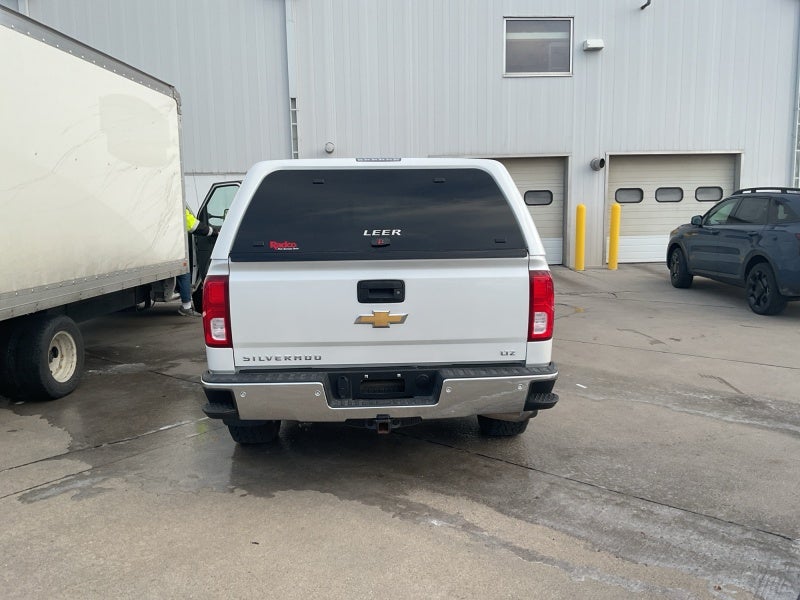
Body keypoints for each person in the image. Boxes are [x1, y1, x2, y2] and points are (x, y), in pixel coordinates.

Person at [176, 207, 216, 316]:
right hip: (173, 249)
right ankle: (186, 307)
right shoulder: (178, 206)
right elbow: (193, 226)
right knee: (184, 271)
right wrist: (213, 232)